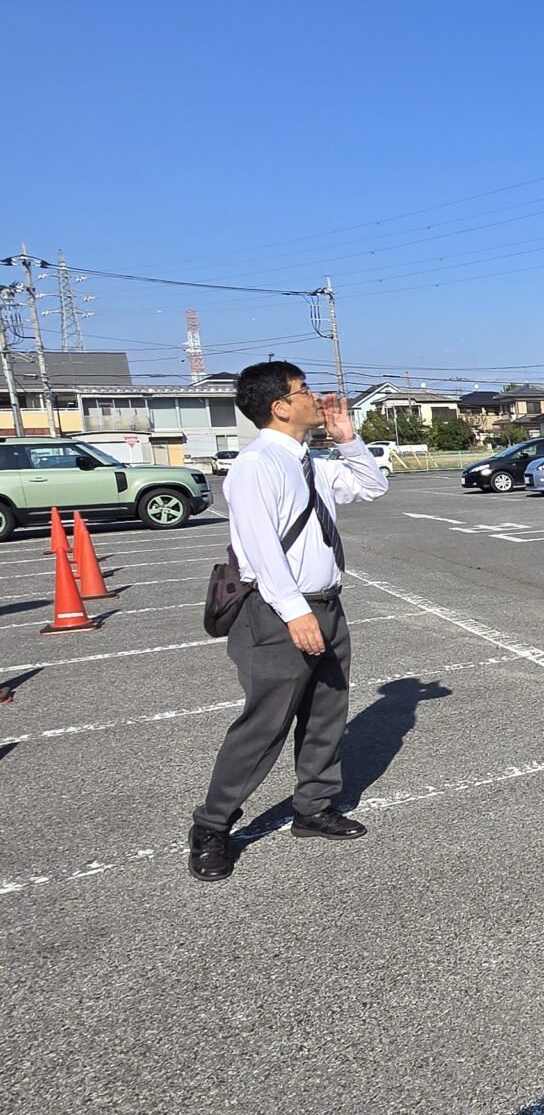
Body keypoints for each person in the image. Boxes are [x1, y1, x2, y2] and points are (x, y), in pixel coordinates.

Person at [189, 361, 389, 882]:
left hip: (325, 603)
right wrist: (296, 613)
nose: (314, 398)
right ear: (280, 406)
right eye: (303, 391)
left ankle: (313, 807)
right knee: (265, 723)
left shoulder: (311, 461)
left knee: (326, 712)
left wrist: (348, 439)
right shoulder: (258, 465)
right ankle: (212, 827)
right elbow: (259, 547)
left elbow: (371, 488)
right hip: (280, 611)